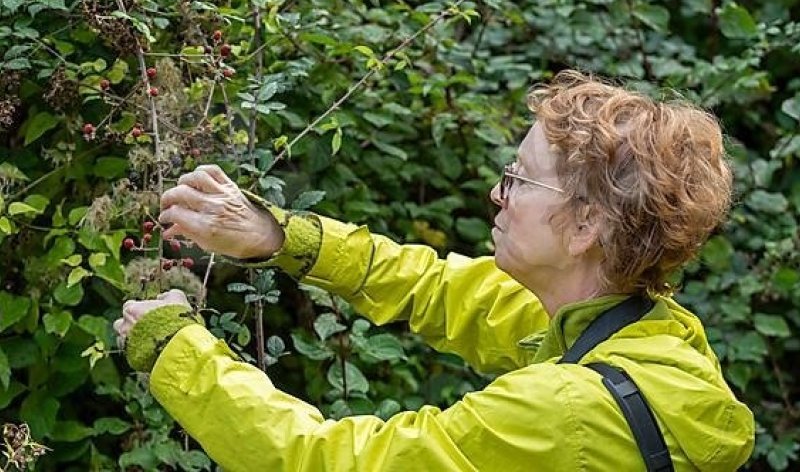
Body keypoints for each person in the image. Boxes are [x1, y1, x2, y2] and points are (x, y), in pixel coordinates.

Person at [113, 70, 755, 471]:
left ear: (586, 226)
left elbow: (330, 463)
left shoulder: (564, 412)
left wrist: (176, 349)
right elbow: (434, 286)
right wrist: (276, 236)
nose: (498, 194)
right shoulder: (641, 332)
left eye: (520, 179)